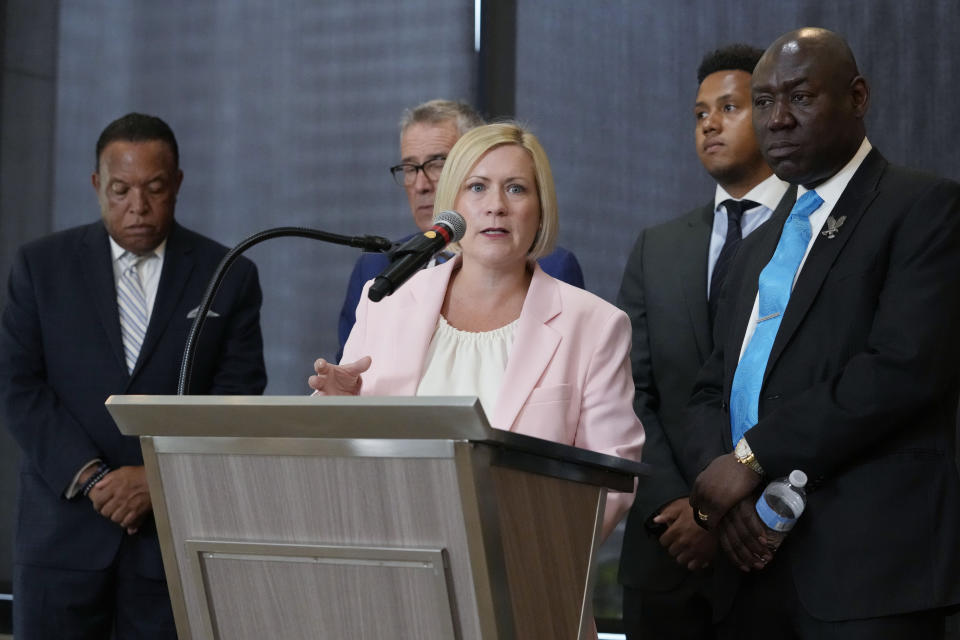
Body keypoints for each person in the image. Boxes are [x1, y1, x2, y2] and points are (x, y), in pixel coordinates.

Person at [684, 28, 960, 638]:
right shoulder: (757, 243)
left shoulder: (924, 208)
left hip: (864, 570)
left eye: (800, 97)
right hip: (745, 565)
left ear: (857, 98)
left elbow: (902, 368)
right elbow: (709, 388)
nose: (776, 119)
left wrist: (754, 456)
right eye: (762, 101)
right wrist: (724, 485)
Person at [0, 113, 267, 638]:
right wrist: (95, 478)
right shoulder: (40, 266)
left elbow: (236, 397)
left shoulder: (228, 273)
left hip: (170, 542)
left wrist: (157, 480)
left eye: (154, 189)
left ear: (178, 184)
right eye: (120, 190)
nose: (137, 207)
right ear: (98, 185)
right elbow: (19, 387)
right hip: (62, 540)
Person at [312, 122, 643, 539]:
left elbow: (611, 478)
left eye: (517, 189)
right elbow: (345, 457)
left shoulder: (594, 324)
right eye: (477, 187)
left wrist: (513, 554)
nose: (496, 206)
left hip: (524, 570)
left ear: (541, 211)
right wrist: (336, 409)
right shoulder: (385, 302)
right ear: (451, 208)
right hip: (396, 555)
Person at [617, 44, 790, 640]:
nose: (710, 124)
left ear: (772, 113)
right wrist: (685, 509)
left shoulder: (814, 232)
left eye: (730, 107)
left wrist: (732, 512)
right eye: (699, 114)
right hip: (668, 553)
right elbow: (630, 391)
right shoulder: (656, 247)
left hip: (775, 549)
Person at [336, 99, 585, 358]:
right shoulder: (377, 268)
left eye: (438, 163)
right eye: (410, 168)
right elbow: (354, 382)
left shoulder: (554, 267)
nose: (421, 184)